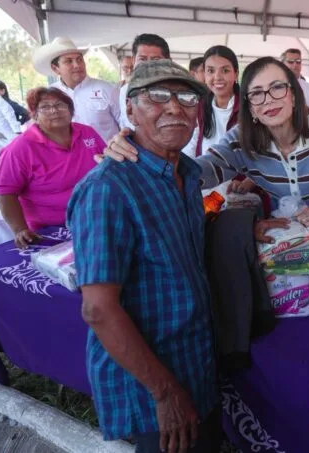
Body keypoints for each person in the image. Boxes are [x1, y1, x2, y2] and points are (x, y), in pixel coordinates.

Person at [69, 60, 220, 453]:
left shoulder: (186, 174)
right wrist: (165, 393)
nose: (174, 107)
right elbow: (98, 310)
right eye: (156, 96)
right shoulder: (108, 188)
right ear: (130, 110)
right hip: (151, 383)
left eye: (187, 97)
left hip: (194, 360)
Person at [105, 56, 309, 231]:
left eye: (277, 88)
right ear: (249, 107)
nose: (269, 100)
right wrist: (141, 150)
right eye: (257, 93)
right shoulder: (242, 139)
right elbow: (205, 168)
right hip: (280, 223)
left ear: (293, 95)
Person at [0, 87, 105, 249]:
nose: (54, 110)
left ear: (70, 110)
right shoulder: (19, 149)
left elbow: (107, 163)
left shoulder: (87, 132)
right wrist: (20, 230)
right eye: (45, 107)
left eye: (60, 105)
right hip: (50, 230)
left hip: (95, 218)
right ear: (35, 114)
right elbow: (5, 193)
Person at [32, 37, 122, 142]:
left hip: (108, 156)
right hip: (69, 157)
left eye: (79, 60)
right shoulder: (50, 95)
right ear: (55, 68)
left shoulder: (107, 89)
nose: (77, 65)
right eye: (69, 61)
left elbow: (125, 124)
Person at [189, 45, 239, 157]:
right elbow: (194, 141)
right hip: (204, 170)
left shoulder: (248, 107)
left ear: (236, 74)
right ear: (205, 75)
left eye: (225, 70)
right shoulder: (200, 105)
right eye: (210, 71)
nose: (217, 77)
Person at [118, 34, 171, 130]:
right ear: (134, 61)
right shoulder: (125, 90)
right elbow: (125, 121)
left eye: (156, 59)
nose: (148, 65)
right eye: (142, 59)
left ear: (168, 62)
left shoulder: (180, 88)